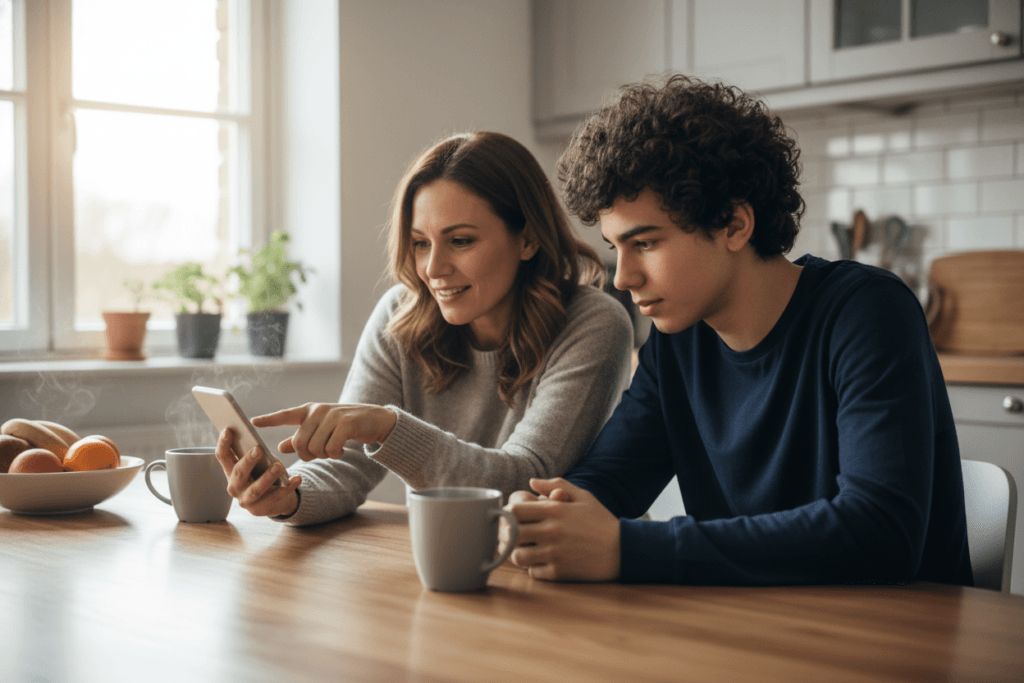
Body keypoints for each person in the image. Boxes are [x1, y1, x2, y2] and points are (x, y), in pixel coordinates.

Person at [503, 75, 973, 587]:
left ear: (733, 225)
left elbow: (881, 534)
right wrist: (545, 511)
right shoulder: (678, 340)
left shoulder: (867, 313)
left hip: (897, 644)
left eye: (647, 244)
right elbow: (610, 478)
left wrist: (628, 547)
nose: (623, 277)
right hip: (753, 633)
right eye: (617, 248)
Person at [216, 131, 634, 526]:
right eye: (420, 243)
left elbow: (524, 481)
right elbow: (347, 463)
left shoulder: (592, 323)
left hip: (578, 572)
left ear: (527, 240)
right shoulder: (401, 314)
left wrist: (385, 427)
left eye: (461, 241)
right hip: (456, 556)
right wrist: (289, 497)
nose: (433, 269)